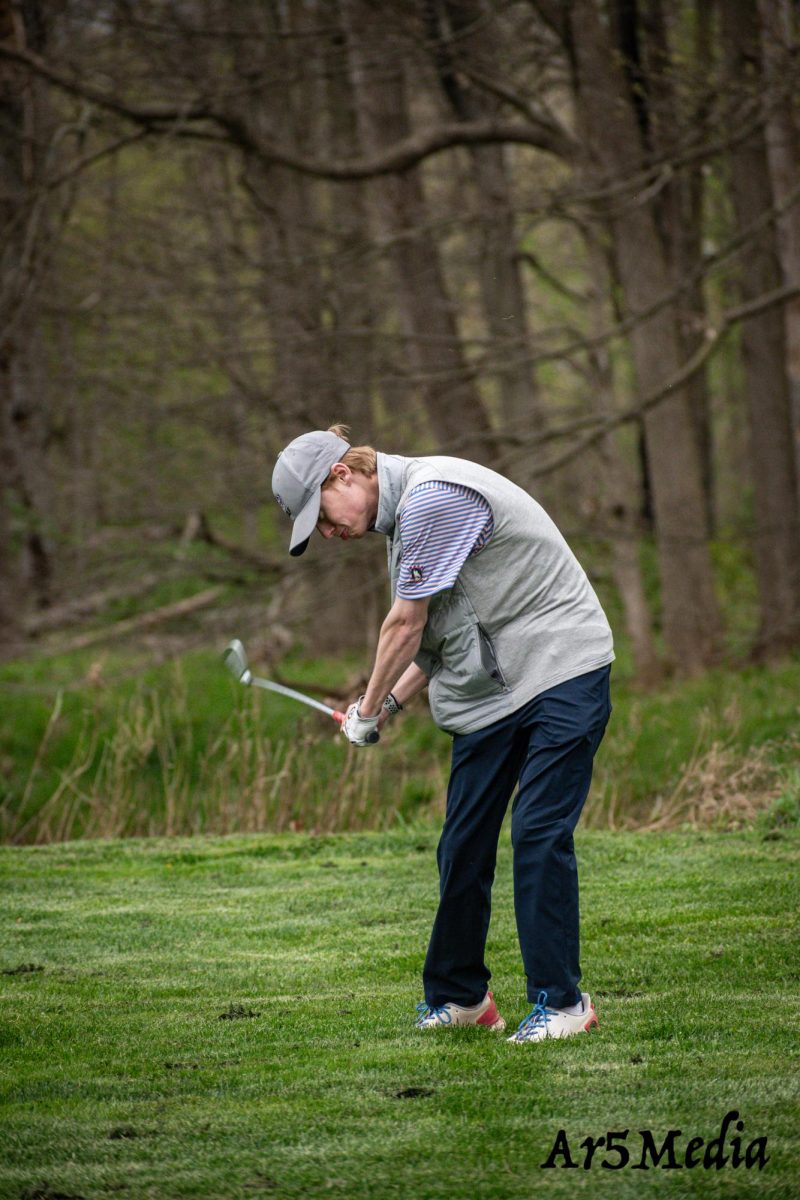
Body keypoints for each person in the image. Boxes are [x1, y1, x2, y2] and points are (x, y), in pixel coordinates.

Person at [271, 424, 614, 1043]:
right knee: (462, 845)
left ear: (343, 475)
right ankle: (462, 998)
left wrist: (369, 708)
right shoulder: (403, 524)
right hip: (495, 693)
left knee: (537, 830)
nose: (326, 533)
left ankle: (564, 1004)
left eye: (319, 516)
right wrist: (386, 707)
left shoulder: (434, 496)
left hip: (563, 669)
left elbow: (404, 625)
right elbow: (435, 645)